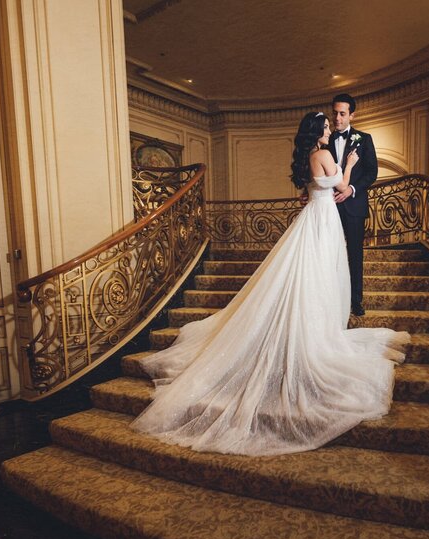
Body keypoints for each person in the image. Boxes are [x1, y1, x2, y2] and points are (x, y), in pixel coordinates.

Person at [130, 112, 410, 456]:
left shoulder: (308, 157)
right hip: (323, 222)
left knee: (310, 277)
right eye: (324, 126)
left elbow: (309, 192)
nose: (328, 129)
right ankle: (314, 335)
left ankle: (310, 327)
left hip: (313, 219)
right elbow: (340, 186)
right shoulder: (324, 155)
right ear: (317, 132)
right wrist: (349, 163)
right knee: (319, 276)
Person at [329, 93, 378, 317]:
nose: (337, 118)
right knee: (329, 255)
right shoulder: (325, 139)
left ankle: (356, 301)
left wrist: (351, 190)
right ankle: (331, 299)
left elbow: (372, 172)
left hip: (355, 206)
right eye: (335, 113)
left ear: (352, 115)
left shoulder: (363, 139)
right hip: (329, 207)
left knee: (355, 254)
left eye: (342, 113)